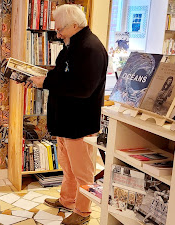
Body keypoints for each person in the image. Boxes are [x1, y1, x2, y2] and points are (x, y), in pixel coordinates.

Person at [24, 4, 107, 225]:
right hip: (65, 119)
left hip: (79, 122)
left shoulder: (90, 48)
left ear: (74, 25)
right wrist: (41, 77)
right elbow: (63, 75)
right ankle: (67, 200)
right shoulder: (73, 45)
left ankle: (83, 211)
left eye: (60, 29)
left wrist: (47, 82)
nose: (57, 33)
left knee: (82, 171)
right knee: (68, 167)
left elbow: (83, 88)